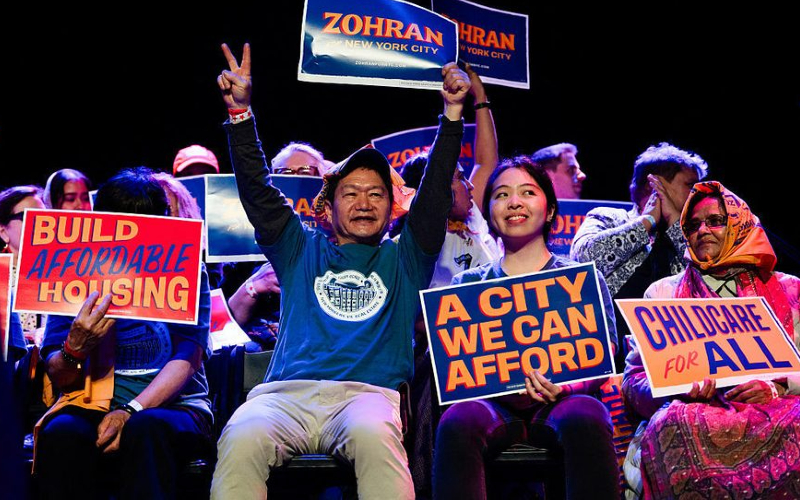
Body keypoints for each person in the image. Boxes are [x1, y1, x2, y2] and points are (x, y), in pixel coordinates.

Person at [209, 44, 468, 499]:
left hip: (367, 398)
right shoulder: (299, 250)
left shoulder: (405, 259)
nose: (364, 202)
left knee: (375, 438)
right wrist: (240, 116)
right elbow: (258, 192)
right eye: (350, 193)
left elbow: (432, 199)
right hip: (285, 397)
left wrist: (451, 116)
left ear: (392, 208)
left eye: (376, 193)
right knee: (241, 434)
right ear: (327, 208)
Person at [433, 156, 619, 500]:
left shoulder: (580, 278)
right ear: (489, 212)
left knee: (587, 413)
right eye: (501, 195)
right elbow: (453, 364)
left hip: (561, 401)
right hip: (493, 406)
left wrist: (567, 386)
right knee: (458, 420)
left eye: (528, 192)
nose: (514, 202)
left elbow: (604, 351)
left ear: (549, 210)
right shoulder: (467, 285)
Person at [35, 167, 214, 499]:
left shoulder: (187, 267)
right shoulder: (70, 269)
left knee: (145, 429)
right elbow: (58, 374)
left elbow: (188, 356)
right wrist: (75, 348)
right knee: (61, 433)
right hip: (90, 402)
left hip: (176, 408)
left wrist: (131, 410)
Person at [622, 181, 800, 499]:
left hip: (776, 411)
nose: (702, 230)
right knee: (672, 421)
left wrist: (780, 386)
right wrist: (675, 388)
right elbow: (634, 381)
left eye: (715, 221)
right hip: (695, 414)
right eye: (693, 225)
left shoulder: (790, 290)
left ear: (739, 224)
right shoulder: (663, 293)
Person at [570, 143, 708, 367]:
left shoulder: (692, 237)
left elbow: (706, 290)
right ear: (655, 185)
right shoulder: (609, 218)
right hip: (608, 363)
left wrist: (675, 224)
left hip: (675, 362)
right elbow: (583, 260)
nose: (699, 194)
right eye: (690, 185)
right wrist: (647, 222)